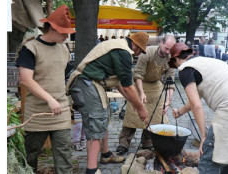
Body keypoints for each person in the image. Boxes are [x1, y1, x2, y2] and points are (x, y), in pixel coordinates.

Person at [168, 42, 228, 174]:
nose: (176, 67)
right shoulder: (205, 62)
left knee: (208, 156)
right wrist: (180, 112)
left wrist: (203, 136)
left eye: (174, 64)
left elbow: (196, 105)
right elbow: (195, 99)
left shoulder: (185, 69)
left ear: (176, 59)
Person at [66, 31, 149, 174]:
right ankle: (91, 170)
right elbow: (128, 86)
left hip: (91, 84)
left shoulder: (119, 46)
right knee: (96, 124)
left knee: (103, 117)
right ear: (135, 44)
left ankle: (105, 155)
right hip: (87, 84)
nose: (140, 53)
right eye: (140, 49)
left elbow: (118, 82)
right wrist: (141, 109)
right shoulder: (123, 52)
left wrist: (132, 101)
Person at [15, 5, 75, 173]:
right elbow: (26, 80)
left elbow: (66, 74)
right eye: (64, 32)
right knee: (30, 155)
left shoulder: (64, 48)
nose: (67, 35)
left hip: (61, 109)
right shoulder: (31, 48)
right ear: (52, 28)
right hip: (37, 113)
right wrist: (49, 99)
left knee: (64, 155)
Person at [116, 35, 176, 155]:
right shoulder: (147, 52)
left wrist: (168, 100)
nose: (168, 52)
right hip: (140, 84)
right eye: (166, 48)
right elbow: (138, 74)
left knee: (154, 117)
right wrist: (141, 93)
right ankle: (124, 143)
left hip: (156, 86)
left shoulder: (171, 59)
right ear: (161, 43)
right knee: (132, 115)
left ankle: (147, 142)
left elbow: (170, 81)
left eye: (170, 49)